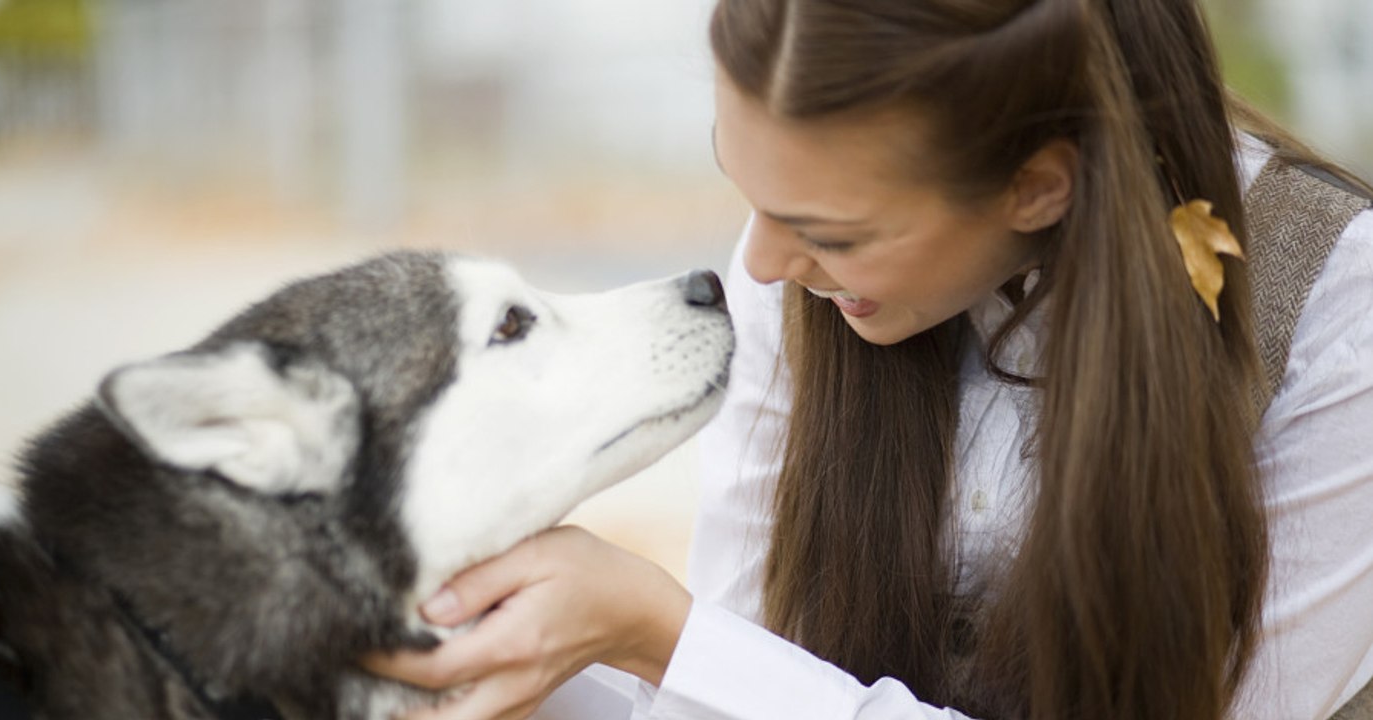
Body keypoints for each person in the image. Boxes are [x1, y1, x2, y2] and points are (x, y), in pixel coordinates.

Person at [365, 0, 1373, 718]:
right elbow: (729, 690)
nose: (758, 265)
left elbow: (718, 665)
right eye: (743, 189)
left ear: (1037, 187)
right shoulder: (793, 280)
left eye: (835, 234)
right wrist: (542, 658)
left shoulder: (1333, 306)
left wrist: (658, 636)